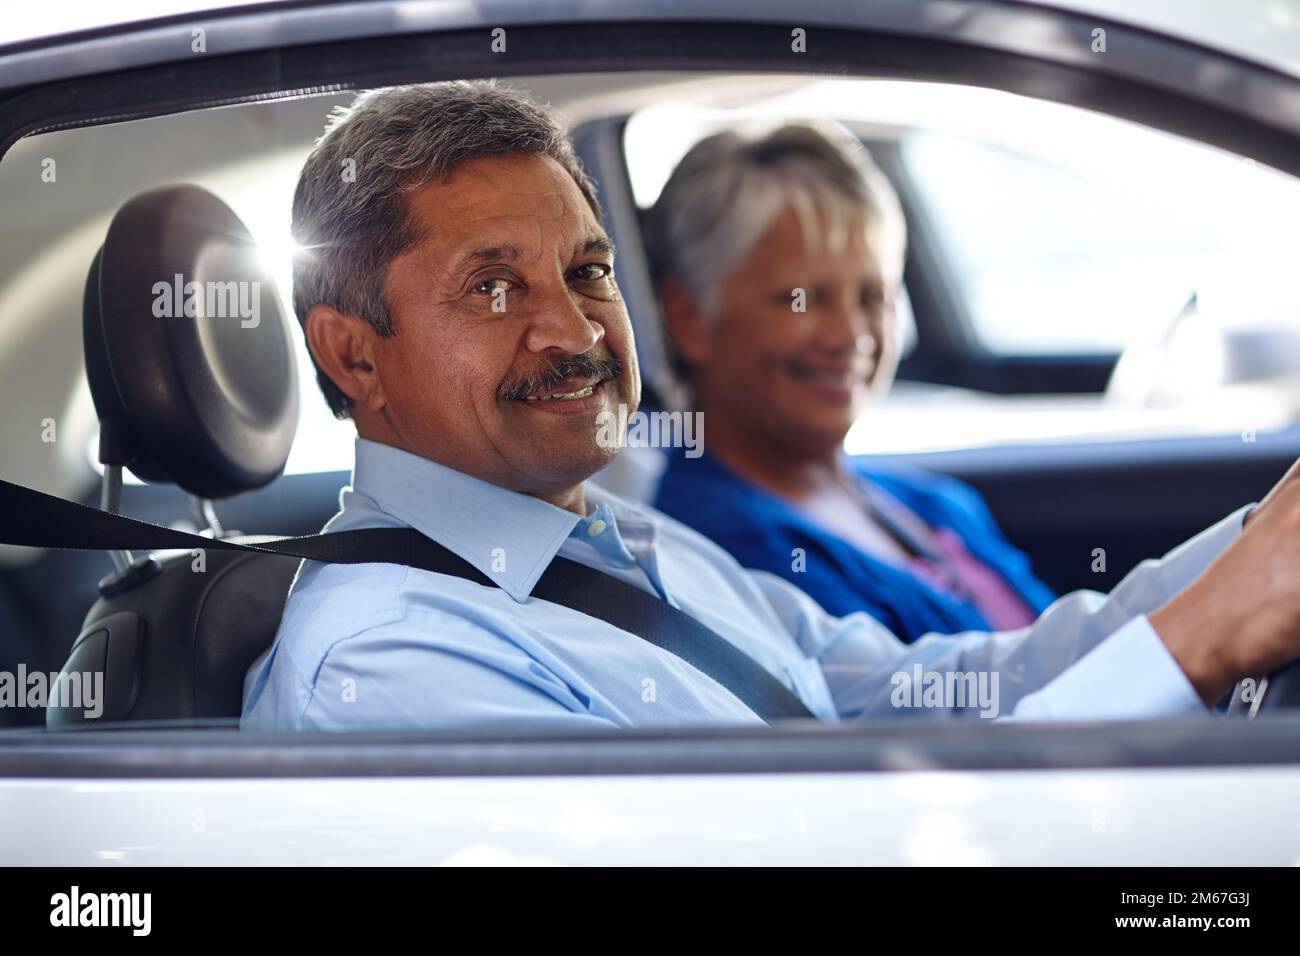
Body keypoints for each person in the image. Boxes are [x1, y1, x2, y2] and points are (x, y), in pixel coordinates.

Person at [242, 80, 1300, 732]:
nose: (573, 330)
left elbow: (930, 687)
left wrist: (1251, 551)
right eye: (493, 285)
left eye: (588, 269)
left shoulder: (631, 541)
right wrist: (1191, 647)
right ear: (354, 354)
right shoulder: (389, 662)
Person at [647, 124, 1054, 640]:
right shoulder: (730, 551)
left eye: (872, 297)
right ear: (690, 319)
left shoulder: (931, 502)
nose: (850, 335)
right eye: (803, 298)